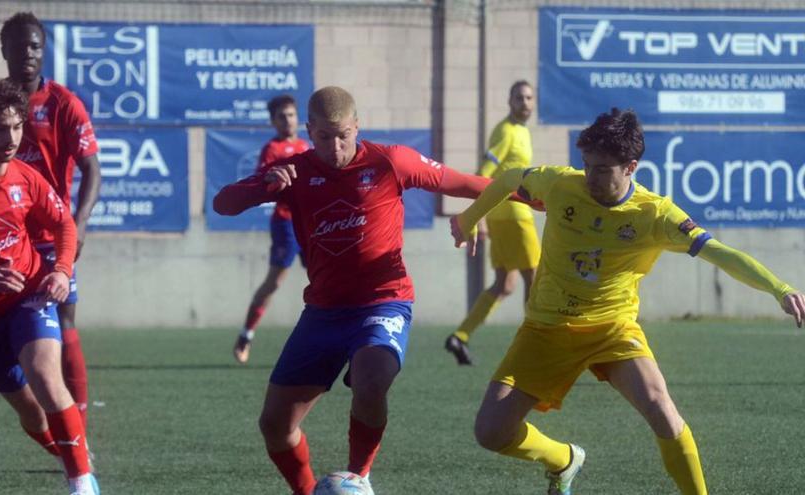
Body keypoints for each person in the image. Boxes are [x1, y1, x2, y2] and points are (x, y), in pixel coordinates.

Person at [450, 108, 805, 495]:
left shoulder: (656, 214)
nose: (589, 177)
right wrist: (468, 219)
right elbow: (506, 179)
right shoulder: (557, 183)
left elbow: (717, 252)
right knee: (490, 432)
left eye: (601, 169)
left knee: (663, 412)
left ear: (630, 167)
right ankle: (564, 460)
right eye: (585, 165)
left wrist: (779, 288)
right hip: (546, 328)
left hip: (612, 329)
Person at [214, 86, 495, 495]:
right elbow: (223, 203)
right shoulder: (295, 171)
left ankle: (359, 477)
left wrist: (543, 194)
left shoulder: (389, 161)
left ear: (357, 126)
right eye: (324, 137)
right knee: (275, 425)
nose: (335, 145)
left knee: (371, 378)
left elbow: (467, 183)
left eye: (343, 134)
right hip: (324, 313)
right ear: (309, 131)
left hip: (385, 301)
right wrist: (263, 187)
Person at [0, 11, 101, 473]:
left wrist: (80, 221)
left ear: (43, 50)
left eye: (36, 46)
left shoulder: (64, 104)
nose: (28, 54)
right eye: (20, 46)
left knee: (61, 326)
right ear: (5, 51)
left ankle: (76, 435)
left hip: (49, 238)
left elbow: (92, 167)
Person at [445, 80, 541, 365]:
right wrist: (477, 216)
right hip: (514, 216)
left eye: (528, 98)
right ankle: (535, 346)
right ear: (509, 101)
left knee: (505, 284)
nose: (524, 103)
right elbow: (483, 173)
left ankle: (460, 336)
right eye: (519, 98)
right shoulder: (506, 131)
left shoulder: (521, 131)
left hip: (505, 215)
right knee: (533, 279)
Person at [233, 94, 310, 364]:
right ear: (273, 122)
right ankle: (246, 335)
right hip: (286, 223)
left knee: (324, 280)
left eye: (291, 114)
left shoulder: (306, 145)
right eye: (282, 116)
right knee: (274, 282)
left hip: (312, 221)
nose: (288, 120)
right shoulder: (272, 150)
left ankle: (330, 340)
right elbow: (263, 184)